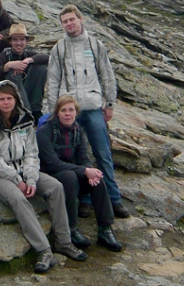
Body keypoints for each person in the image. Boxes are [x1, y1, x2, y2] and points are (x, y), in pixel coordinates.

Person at [0, 80, 87, 273]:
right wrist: (17, 180)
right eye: (1, 99)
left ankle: (64, 241)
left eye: (9, 98)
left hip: (23, 170)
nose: (6, 102)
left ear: (16, 99)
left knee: (56, 187)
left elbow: (31, 154)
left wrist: (30, 179)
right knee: (18, 198)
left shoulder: (26, 122)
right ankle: (44, 250)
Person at [46, 4, 131, 218]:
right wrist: (51, 110)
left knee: (103, 154)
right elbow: (53, 80)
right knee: (76, 157)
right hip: (68, 110)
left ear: (80, 19)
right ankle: (84, 200)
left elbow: (107, 75)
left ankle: (114, 199)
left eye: (72, 19)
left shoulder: (95, 45)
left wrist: (109, 103)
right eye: (65, 21)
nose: (69, 24)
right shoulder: (59, 48)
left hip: (93, 108)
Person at [37, 95, 122, 252]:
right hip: (51, 174)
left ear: (76, 113)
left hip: (73, 171)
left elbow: (83, 158)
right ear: (57, 113)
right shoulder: (44, 132)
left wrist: (89, 171)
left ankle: (105, 228)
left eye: (71, 110)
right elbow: (51, 163)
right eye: (63, 110)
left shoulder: (78, 130)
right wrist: (84, 170)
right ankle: (72, 228)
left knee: (98, 178)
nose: (67, 114)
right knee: (69, 178)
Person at [0, 24, 48, 124]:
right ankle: (24, 111)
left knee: (41, 68)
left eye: (22, 40)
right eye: (15, 40)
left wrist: (29, 60)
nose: (18, 43)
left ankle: (36, 110)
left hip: (27, 91)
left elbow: (46, 58)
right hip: (9, 97)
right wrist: (8, 66)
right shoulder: (2, 56)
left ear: (26, 41)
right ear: (10, 42)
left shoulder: (28, 54)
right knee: (13, 72)